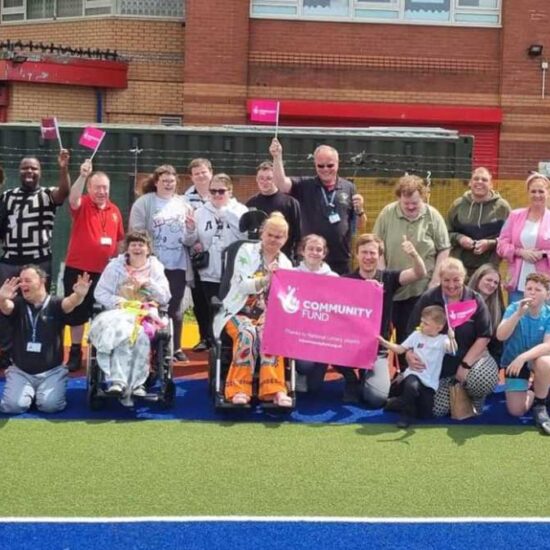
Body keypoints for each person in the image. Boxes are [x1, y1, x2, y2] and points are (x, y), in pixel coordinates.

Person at [212, 212, 293, 406]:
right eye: (270, 234)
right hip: (237, 311)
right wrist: (266, 280)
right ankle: (238, 389)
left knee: (270, 334)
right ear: (262, 233)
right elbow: (241, 284)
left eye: (278, 236)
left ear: (285, 239)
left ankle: (275, 389)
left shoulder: (286, 263)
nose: (273, 240)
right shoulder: (245, 251)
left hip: (269, 314)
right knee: (247, 333)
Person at [0, 150, 71, 369]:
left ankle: (44, 347)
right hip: (10, 261)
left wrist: (63, 168)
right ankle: (8, 350)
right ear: (19, 172)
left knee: (41, 306)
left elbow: (64, 192)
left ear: (40, 172)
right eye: (25, 168)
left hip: (39, 262)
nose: (29, 171)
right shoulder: (6, 196)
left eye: (34, 168)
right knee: (6, 306)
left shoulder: (47, 194)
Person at [342, 233, 427, 406]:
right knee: (324, 344)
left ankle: (367, 375)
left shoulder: (388, 278)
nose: (368, 257)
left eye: (372, 253)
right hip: (348, 345)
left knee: (377, 399)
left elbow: (420, 273)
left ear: (379, 255)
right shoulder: (345, 281)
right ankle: (351, 378)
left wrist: (414, 255)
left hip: (376, 348)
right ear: (356, 254)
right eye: (364, 252)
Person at [407, 258, 498, 417]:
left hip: (471, 360)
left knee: (482, 379)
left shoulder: (475, 299)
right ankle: (456, 392)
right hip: (439, 367)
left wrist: (465, 365)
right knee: (432, 410)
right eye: (446, 280)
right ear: (440, 279)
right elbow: (412, 329)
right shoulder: (429, 298)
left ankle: (475, 396)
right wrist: (409, 353)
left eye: (456, 280)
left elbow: (484, 336)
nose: (451, 285)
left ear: (464, 279)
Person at [373, 174, 450, 356]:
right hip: (393, 289)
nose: (410, 207)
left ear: (422, 197)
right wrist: (383, 276)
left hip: (421, 290)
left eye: (414, 203)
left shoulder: (433, 216)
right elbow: (378, 246)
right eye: (406, 203)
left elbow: (444, 249)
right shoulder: (387, 213)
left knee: (414, 335)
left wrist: (435, 281)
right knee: (388, 334)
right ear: (399, 197)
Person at [89, 231, 171, 398]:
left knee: (141, 334)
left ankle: (139, 383)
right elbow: (100, 292)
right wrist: (119, 301)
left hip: (145, 312)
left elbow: (165, 297)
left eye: (141, 245)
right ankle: (118, 381)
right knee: (120, 333)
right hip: (120, 311)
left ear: (148, 249)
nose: (137, 248)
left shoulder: (155, 268)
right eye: (133, 244)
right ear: (127, 249)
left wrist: (148, 284)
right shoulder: (114, 267)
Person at [0, 265, 91, 414]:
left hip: (52, 371)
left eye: (27, 280)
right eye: (21, 281)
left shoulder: (55, 303)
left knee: (50, 406)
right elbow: (5, 307)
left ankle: (40, 391)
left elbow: (70, 303)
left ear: (42, 281)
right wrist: (2, 297)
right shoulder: (18, 303)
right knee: (13, 407)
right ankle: (28, 392)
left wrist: (79, 295)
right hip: (21, 371)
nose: (23, 284)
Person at [128, 164, 195, 363]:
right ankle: (148, 347)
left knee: (174, 307)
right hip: (153, 265)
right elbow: (136, 232)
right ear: (156, 182)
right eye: (164, 180)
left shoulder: (184, 204)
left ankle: (175, 348)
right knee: (150, 305)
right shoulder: (144, 203)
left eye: (172, 181)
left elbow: (190, 240)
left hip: (178, 265)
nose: (168, 184)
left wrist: (191, 230)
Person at [63, 159, 124, 372]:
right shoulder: (82, 204)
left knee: (103, 314)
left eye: (105, 187)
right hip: (79, 269)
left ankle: (100, 353)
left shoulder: (115, 210)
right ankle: (75, 352)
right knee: (77, 311)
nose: (101, 191)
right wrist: (82, 175)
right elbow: (72, 198)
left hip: (106, 273)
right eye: (97, 187)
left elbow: (118, 242)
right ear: (89, 188)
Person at [269, 138, 365, 274]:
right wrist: (277, 157)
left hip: (340, 260)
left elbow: (360, 226)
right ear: (315, 165)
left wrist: (360, 210)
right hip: (310, 260)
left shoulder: (349, 187)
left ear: (338, 164)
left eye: (330, 165)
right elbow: (281, 184)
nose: (325, 169)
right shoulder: (305, 185)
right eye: (321, 166)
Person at [191, 173, 247, 343]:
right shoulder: (201, 212)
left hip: (233, 270)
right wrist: (192, 237)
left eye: (221, 191)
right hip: (210, 270)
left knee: (230, 307)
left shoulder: (240, 211)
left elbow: (244, 236)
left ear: (230, 191)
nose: (216, 195)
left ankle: (230, 341)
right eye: (213, 191)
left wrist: (227, 215)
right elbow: (193, 238)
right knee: (212, 307)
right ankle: (212, 341)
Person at [378, 305, 451, 429]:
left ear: (439, 327)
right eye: (421, 321)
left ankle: (397, 403)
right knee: (411, 386)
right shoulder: (416, 335)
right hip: (414, 374)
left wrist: (452, 336)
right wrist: (385, 343)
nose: (422, 325)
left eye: (426, 323)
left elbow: (452, 349)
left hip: (430, 383)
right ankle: (405, 415)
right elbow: (400, 349)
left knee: (425, 414)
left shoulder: (443, 340)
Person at [496, 273, 550, 435]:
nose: (532, 292)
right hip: (513, 364)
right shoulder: (514, 308)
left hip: (534, 362)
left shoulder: (548, 313)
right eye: (529, 289)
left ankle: (540, 404)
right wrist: (518, 314)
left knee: (545, 362)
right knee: (516, 411)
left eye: (537, 289)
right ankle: (535, 390)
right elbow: (500, 336)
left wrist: (523, 357)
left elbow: (548, 346)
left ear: (547, 295)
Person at [293, 234, 338, 394]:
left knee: (314, 388)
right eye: (310, 248)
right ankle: (298, 372)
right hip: (299, 333)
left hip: (323, 335)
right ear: (302, 251)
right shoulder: (291, 274)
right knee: (305, 366)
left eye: (319, 249)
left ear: (324, 254)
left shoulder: (334, 278)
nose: (314, 252)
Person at [446, 166, 511, 277]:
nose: (479, 182)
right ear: (470, 183)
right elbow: (446, 233)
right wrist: (459, 238)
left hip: (489, 270)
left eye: (484, 180)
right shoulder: (458, 205)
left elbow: (511, 238)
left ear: (491, 184)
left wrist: (490, 244)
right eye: (476, 179)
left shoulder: (502, 208)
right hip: (460, 270)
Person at [497, 172, 550, 303]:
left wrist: (543, 254)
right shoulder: (514, 216)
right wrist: (520, 252)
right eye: (533, 191)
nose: (537, 195)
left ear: (548, 193)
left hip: (545, 287)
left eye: (541, 191)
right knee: (517, 320)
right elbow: (501, 245)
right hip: (517, 284)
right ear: (528, 193)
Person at [184, 158, 213, 352]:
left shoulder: (220, 192)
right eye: (196, 173)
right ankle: (204, 337)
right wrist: (195, 243)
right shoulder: (185, 199)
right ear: (191, 177)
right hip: (197, 256)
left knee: (217, 299)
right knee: (199, 298)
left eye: (204, 172)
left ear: (211, 172)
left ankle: (218, 338)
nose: (201, 176)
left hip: (219, 256)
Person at [246, 161, 301, 262]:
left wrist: (296, 259)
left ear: (275, 179)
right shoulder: (250, 203)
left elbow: (298, 234)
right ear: (256, 179)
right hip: (256, 260)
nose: (264, 182)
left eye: (269, 178)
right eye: (261, 178)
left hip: (283, 259)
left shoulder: (290, 203)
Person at [467, 263, 505, 365]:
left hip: (483, 356)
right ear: (478, 279)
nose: (492, 285)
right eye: (488, 280)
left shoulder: (499, 310)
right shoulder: (461, 300)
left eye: (495, 283)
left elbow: (497, 346)